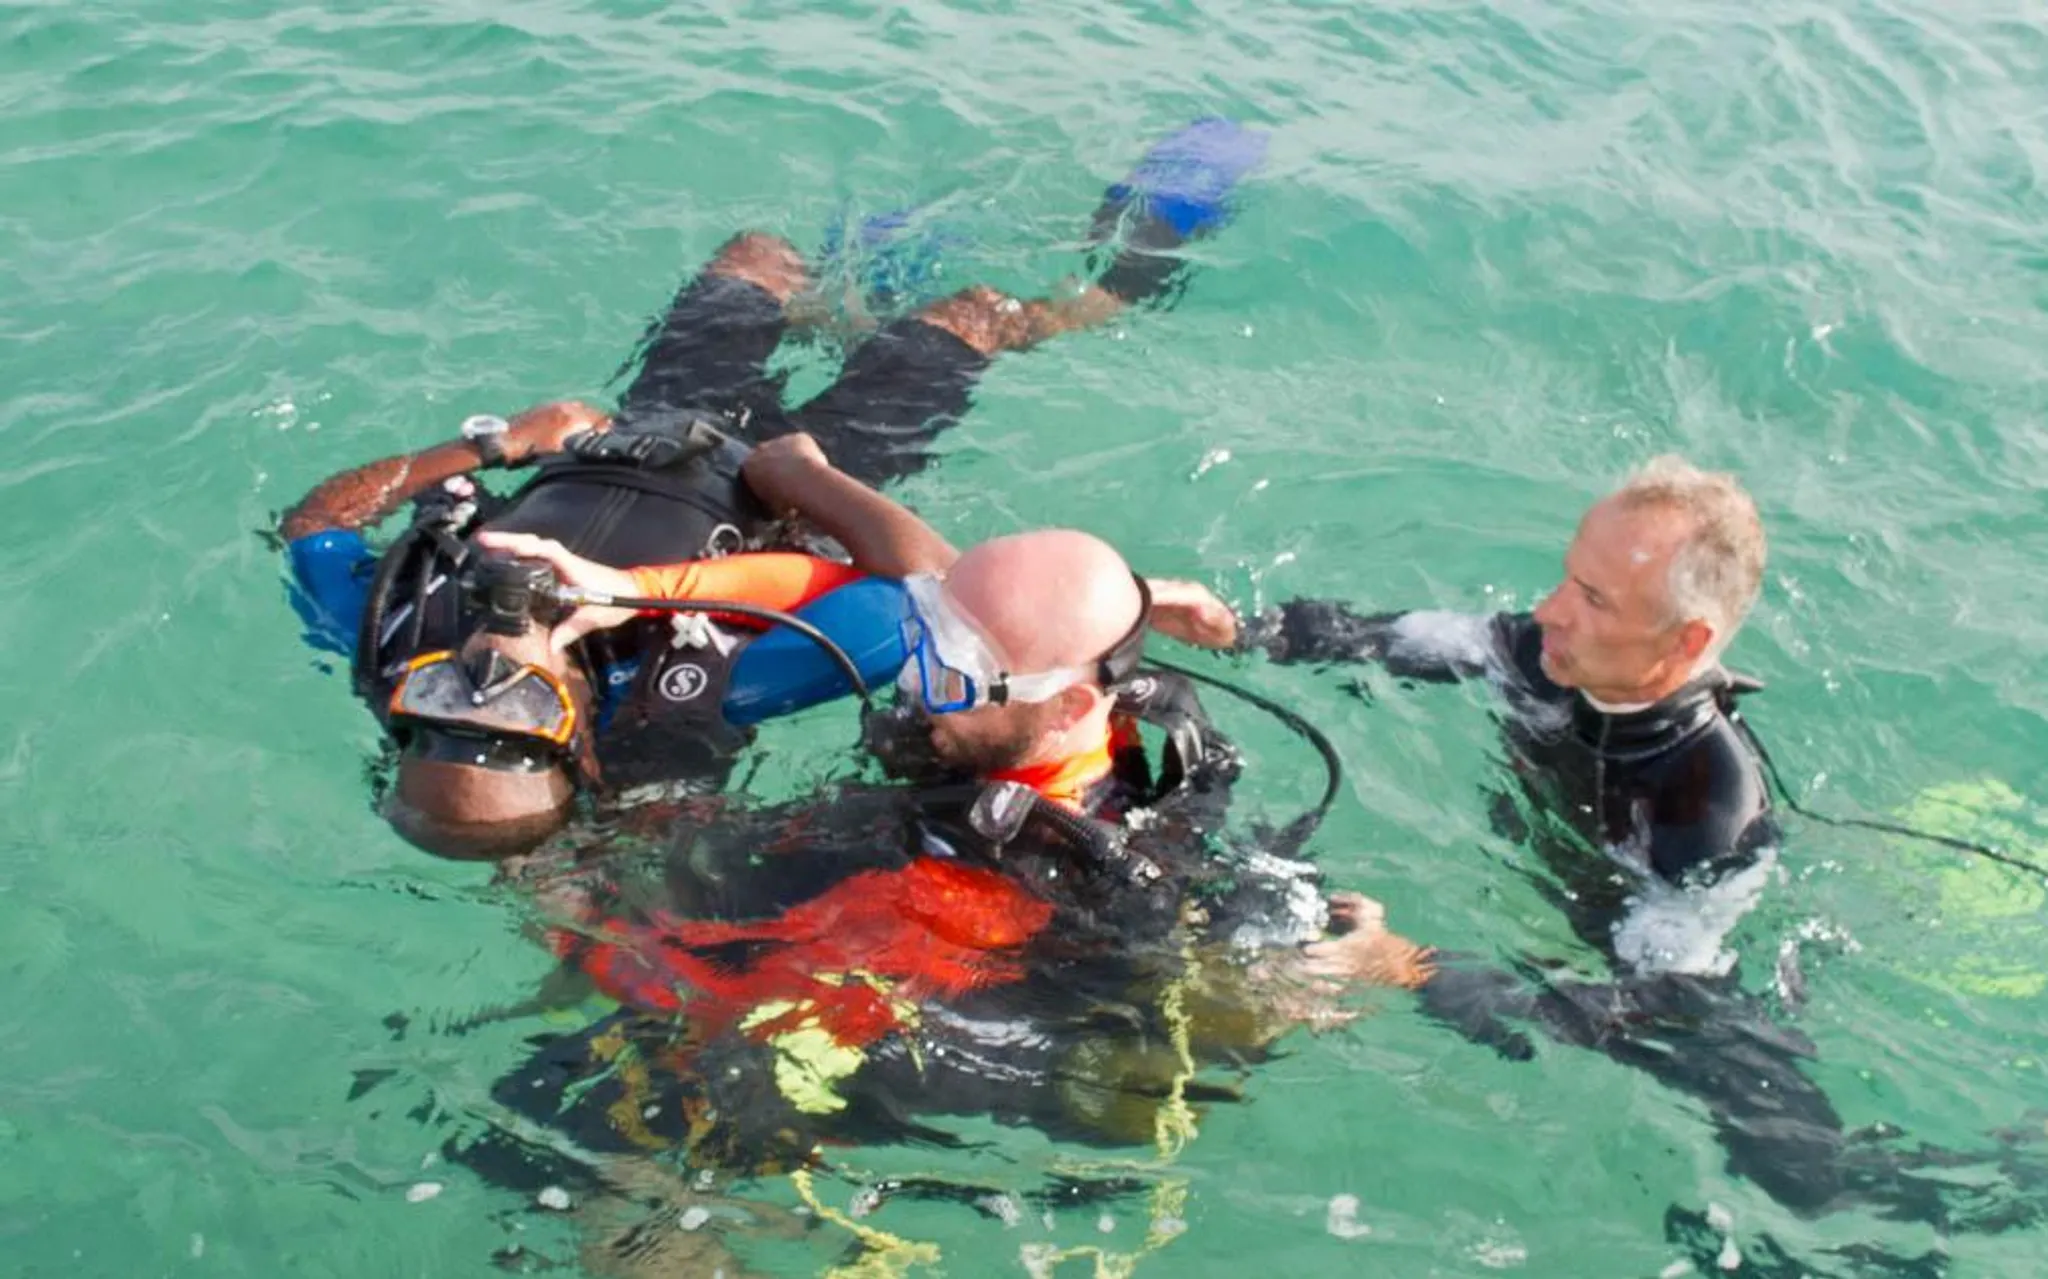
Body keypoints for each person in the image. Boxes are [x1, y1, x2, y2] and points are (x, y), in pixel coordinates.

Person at [276, 121, 1268, 860]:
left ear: (405, 711)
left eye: (447, 692)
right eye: (519, 700)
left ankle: (842, 310)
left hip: (626, 428)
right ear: (577, 744)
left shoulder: (391, 634)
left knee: (754, 258)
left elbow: (316, 520)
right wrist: (803, 478)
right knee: (969, 316)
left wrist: (489, 447)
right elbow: (918, 586)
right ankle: (1124, 276)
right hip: (790, 479)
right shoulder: (694, 696)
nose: (489, 660)